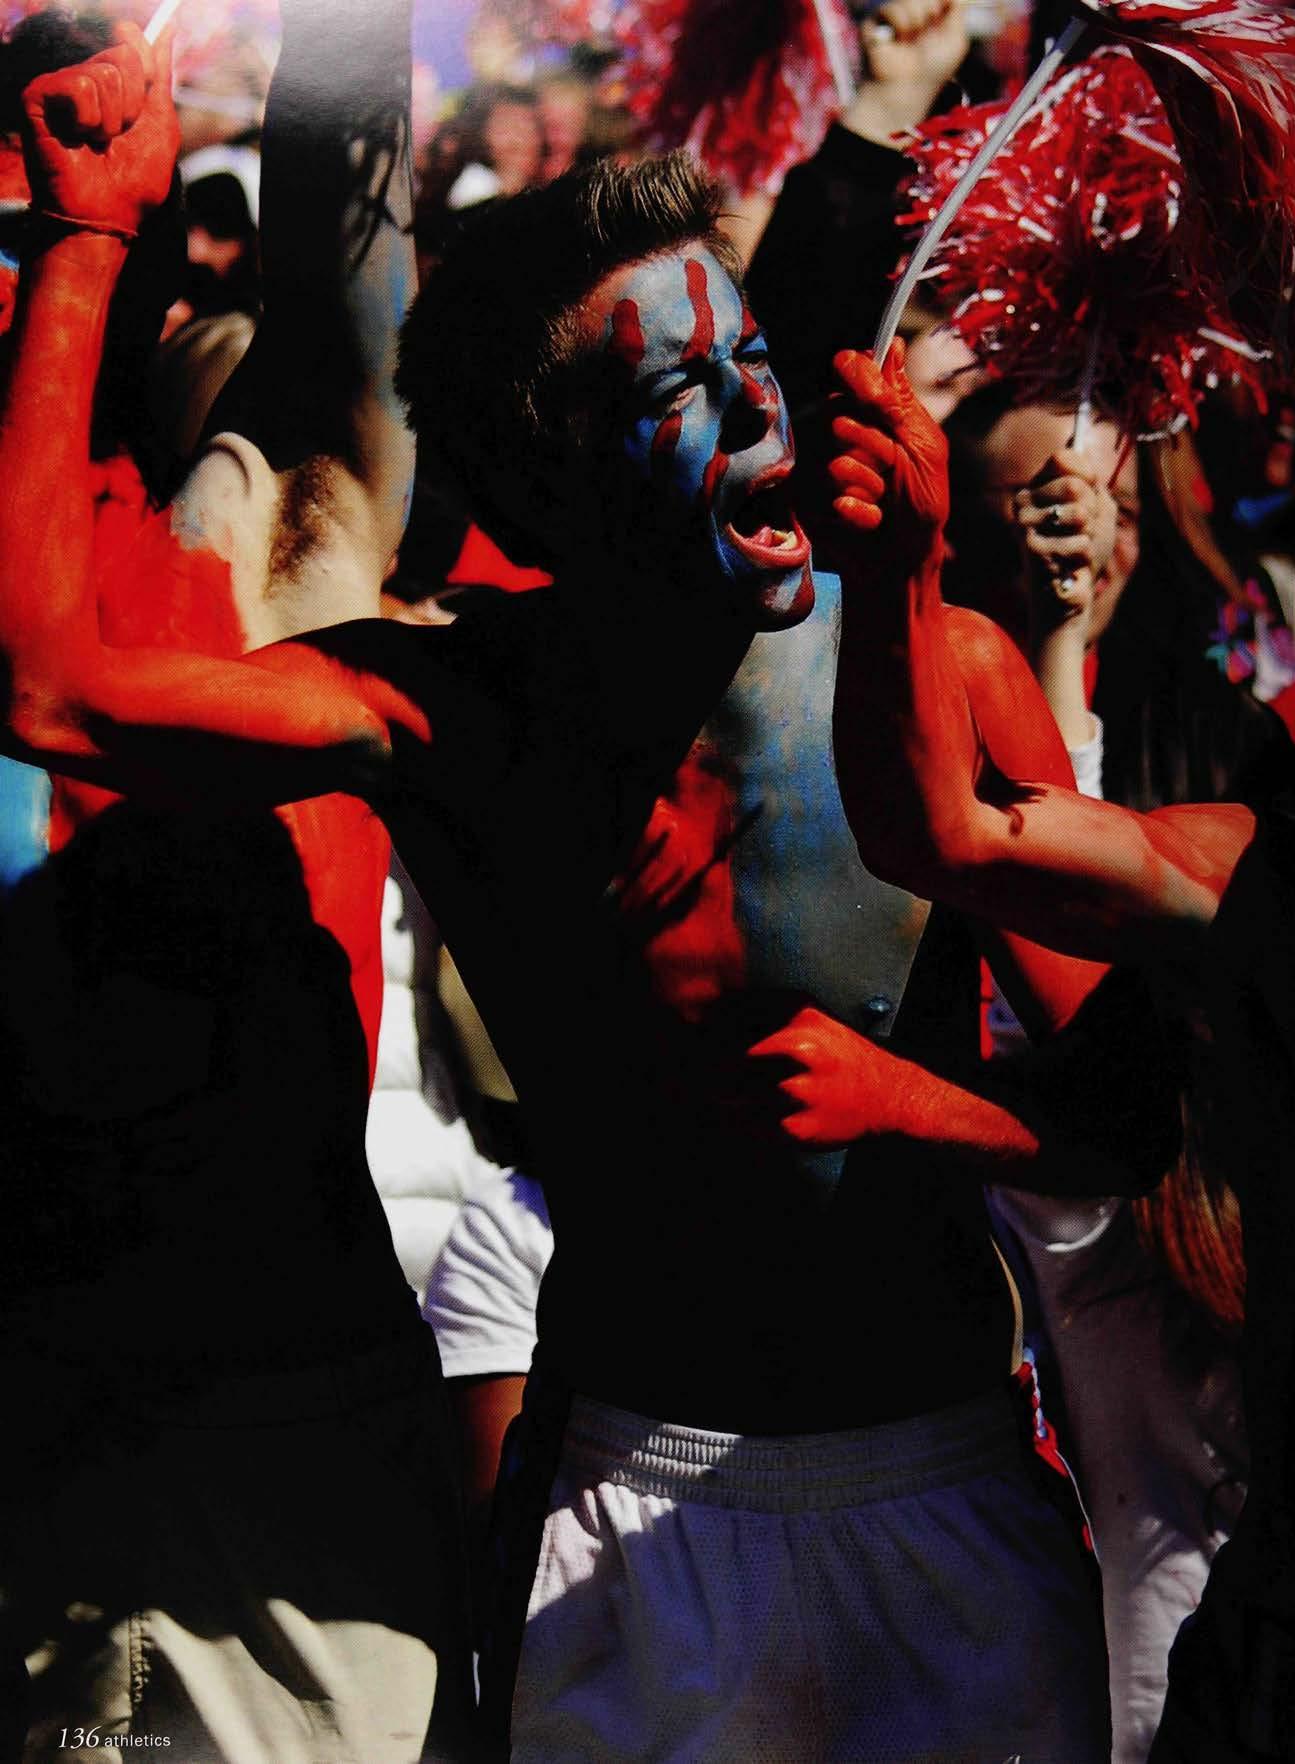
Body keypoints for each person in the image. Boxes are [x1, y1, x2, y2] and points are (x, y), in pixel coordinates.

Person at [1, 72, 1180, 1755]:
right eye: (680, 391)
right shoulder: (452, 715)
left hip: (940, 1493)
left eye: (750, 362)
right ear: (541, 488)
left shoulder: (943, 667)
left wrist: (908, 1101)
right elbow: (49, 689)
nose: (756, 411)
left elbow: (1128, 1121)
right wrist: (83, 234)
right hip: (627, 1514)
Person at [0, 11, 473, 1761]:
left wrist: (342, 35)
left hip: (284, 1428)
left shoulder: (273, 536)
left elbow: (344, 259)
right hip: (43, 1423)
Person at [827, 340, 1295, 1763]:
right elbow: (955, 833)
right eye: (1016, 505)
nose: (1076, 529)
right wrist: (904, 577)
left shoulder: (1223, 722)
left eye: (1109, 502)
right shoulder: (1262, 869)